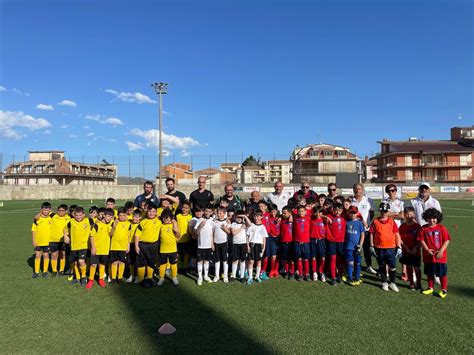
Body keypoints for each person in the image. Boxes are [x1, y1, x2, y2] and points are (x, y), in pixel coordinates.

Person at [369, 202, 402, 292]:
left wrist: (399, 246)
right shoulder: (375, 221)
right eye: (382, 211)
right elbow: (372, 234)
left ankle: (392, 283)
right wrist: (371, 246)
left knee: (392, 266)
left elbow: (396, 234)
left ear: (388, 211)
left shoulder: (392, 221)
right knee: (382, 265)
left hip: (391, 247)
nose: (384, 213)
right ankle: (384, 282)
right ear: (379, 211)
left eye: (385, 211)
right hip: (379, 247)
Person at [418, 208, 450, 299]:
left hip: (440, 256)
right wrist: (427, 249)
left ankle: (444, 289)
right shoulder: (423, 228)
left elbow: (446, 240)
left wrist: (441, 251)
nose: (432, 220)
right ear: (426, 218)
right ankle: (430, 287)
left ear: (438, 218)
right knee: (429, 272)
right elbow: (421, 240)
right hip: (428, 255)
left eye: (434, 218)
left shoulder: (442, 228)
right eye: (429, 218)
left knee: (442, 273)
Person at [64, 207, 95, 286]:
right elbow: (65, 228)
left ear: (84, 215)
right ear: (74, 215)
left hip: (83, 246)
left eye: (80, 215)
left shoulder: (88, 220)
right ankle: (77, 278)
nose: (78, 217)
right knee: (74, 263)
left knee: (81, 261)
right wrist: (65, 236)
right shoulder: (71, 222)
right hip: (73, 246)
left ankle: (84, 276)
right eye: (77, 215)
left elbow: (96, 225)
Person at [350, 183, 376, 274]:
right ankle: (354, 265)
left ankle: (369, 265)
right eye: (356, 189)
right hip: (354, 230)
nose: (358, 190)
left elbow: (372, 213)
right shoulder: (351, 201)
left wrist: (368, 224)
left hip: (365, 230)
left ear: (362, 190)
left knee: (367, 249)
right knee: (355, 248)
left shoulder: (368, 200)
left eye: (359, 189)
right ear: (353, 190)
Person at [134, 204, 161, 288]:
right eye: (149, 211)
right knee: (141, 262)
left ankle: (150, 277)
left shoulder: (159, 221)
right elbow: (137, 235)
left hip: (154, 245)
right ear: (146, 211)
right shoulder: (143, 221)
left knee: (151, 262)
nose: (151, 213)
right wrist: (136, 246)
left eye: (153, 211)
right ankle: (141, 278)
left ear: (156, 212)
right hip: (142, 245)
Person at [87, 208, 114, 289]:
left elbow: (110, 234)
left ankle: (101, 279)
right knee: (93, 265)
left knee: (102, 265)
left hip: (105, 250)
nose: (110, 218)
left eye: (111, 216)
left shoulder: (110, 225)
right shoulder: (97, 225)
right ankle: (91, 280)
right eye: (108, 216)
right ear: (104, 215)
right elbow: (91, 236)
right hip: (96, 249)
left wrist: (114, 227)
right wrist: (93, 247)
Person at [399, 207, 422, 290]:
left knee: (417, 267)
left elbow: (420, 240)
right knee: (409, 266)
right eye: (407, 215)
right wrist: (407, 249)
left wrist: (415, 248)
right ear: (404, 215)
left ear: (414, 215)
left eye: (410, 214)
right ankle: (411, 282)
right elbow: (400, 239)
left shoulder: (418, 226)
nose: (409, 216)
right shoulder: (402, 227)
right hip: (406, 251)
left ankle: (419, 282)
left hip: (416, 251)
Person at [157, 209, 181, 286]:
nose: (166, 220)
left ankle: (174, 278)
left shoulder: (173, 225)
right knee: (162, 265)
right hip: (163, 249)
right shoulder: (160, 225)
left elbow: (178, 235)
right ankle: (161, 278)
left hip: (173, 249)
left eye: (168, 218)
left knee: (173, 264)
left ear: (171, 218)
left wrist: (175, 226)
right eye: (164, 218)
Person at [243, 211, 268, 285]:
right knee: (251, 261)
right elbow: (247, 236)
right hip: (252, 245)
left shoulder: (263, 227)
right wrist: (247, 245)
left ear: (261, 217)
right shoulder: (251, 225)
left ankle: (257, 276)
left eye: (258, 216)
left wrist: (263, 248)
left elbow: (264, 238)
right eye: (255, 216)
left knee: (259, 261)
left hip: (259, 246)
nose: (256, 218)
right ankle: (250, 277)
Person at [109, 208, 131, 285]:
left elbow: (129, 236)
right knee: (114, 262)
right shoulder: (113, 222)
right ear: (117, 215)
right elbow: (110, 234)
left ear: (126, 215)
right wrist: (114, 226)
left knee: (121, 262)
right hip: (114, 246)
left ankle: (120, 278)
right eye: (120, 215)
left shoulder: (128, 224)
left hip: (123, 247)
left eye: (123, 215)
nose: (121, 217)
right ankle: (113, 278)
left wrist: (128, 246)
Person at [326, 202, 346, 285]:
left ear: (342, 211)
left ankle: (339, 276)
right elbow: (319, 215)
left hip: (341, 242)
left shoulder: (344, 217)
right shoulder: (329, 216)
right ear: (333, 210)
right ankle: (333, 277)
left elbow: (356, 214)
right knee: (333, 259)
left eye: (340, 210)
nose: (337, 212)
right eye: (336, 210)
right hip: (332, 241)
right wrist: (326, 217)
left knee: (340, 259)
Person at [344, 206, 366, 286]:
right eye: (351, 213)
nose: (352, 215)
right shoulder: (347, 222)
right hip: (349, 247)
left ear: (357, 213)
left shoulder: (359, 223)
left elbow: (363, 235)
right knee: (350, 263)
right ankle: (350, 278)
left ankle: (357, 278)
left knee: (358, 263)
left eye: (354, 213)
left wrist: (360, 245)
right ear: (348, 213)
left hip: (357, 247)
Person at [31, 202, 52, 278]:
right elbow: (33, 230)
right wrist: (33, 240)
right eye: (44, 210)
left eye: (47, 210)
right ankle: (36, 272)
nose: (45, 211)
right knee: (37, 255)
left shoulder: (51, 218)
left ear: (50, 210)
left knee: (46, 255)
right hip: (38, 241)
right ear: (41, 210)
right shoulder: (37, 219)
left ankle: (45, 271)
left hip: (47, 241)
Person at [47, 204, 70, 276]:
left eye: (62, 210)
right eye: (59, 210)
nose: (60, 212)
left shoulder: (69, 218)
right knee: (54, 255)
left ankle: (61, 270)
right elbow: (45, 211)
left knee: (62, 255)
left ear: (66, 211)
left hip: (63, 240)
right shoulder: (53, 216)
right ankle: (54, 270)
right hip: (53, 239)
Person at [195, 205, 215, 285]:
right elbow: (196, 232)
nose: (207, 213)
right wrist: (200, 226)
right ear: (203, 212)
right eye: (206, 211)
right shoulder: (200, 220)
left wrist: (212, 243)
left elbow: (212, 232)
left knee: (207, 261)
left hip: (209, 245)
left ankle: (206, 276)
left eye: (209, 212)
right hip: (201, 245)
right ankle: (200, 277)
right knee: (200, 261)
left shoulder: (212, 220)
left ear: (211, 213)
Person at [293, 205, 311, 281]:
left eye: (302, 211)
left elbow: (316, 213)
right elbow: (292, 211)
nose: (301, 213)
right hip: (297, 241)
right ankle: (300, 274)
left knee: (306, 259)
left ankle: (306, 273)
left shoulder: (309, 218)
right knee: (299, 259)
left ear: (306, 212)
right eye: (299, 211)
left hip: (306, 242)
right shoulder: (295, 218)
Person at [212, 207, 231, 283]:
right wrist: (212, 243)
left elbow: (229, 233)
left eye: (220, 213)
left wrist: (224, 228)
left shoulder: (227, 222)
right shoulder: (214, 222)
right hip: (216, 243)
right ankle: (217, 276)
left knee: (225, 260)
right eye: (218, 213)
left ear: (224, 214)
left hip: (224, 243)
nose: (219, 215)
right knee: (217, 259)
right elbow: (212, 233)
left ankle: (225, 276)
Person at [230, 211, 248, 282]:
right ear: (235, 217)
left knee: (242, 260)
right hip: (235, 244)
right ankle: (233, 276)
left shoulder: (245, 224)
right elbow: (233, 233)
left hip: (243, 244)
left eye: (241, 217)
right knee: (235, 260)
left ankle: (242, 276)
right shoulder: (233, 224)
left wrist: (245, 217)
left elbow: (250, 224)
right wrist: (241, 228)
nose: (239, 219)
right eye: (238, 217)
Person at [310, 206, 326, 282]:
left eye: (319, 212)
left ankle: (321, 272)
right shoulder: (311, 219)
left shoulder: (324, 220)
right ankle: (314, 272)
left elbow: (330, 220)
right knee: (313, 257)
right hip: (313, 240)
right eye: (316, 212)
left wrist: (324, 216)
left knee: (322, 257)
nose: (318, 214)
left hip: (321, 240)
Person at [176, 201, 193, 272]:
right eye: (183, 207)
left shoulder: (190, 217)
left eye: (186, 208)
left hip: (186, 239)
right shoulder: (178, 216)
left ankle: (186, 267)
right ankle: (177, 266)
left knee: (186, 253)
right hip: (178, 239)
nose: (184, 209)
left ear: (189, 209)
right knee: (178, 253)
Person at [279, 206, 295, 279]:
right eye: (282, 213)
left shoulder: (294, 219)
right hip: (284, 242)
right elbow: (278, 215)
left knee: (292, 259)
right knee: (285, 258)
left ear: (290, 213)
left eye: (285, 213)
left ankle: (292, 272)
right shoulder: (281, 219)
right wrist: (280, 216)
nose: (283, 214)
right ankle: (287, 271)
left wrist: (291, 215)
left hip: (292, 242)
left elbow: (296, 213)